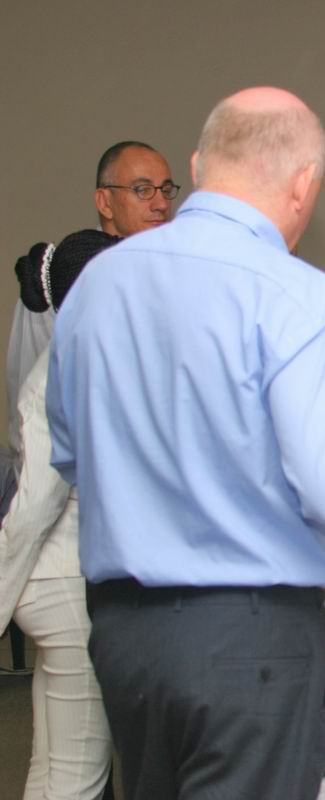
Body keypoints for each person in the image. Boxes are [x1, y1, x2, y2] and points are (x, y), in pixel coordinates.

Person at [46, 87, 325, 800]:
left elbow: (69, 451)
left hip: (124, 636)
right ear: (304, 184)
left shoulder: (96, 285)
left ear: (197, 166)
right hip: (250, 638)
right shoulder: (293, 293)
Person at [1, 230, 120, 800]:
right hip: (65, 588)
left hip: (59, 581)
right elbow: (33, 506)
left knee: (49, 767)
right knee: (79, 775)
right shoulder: (68, 368)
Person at [6, 141, 177, 450]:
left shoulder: (175, 271)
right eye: (142, 190)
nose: (161, 203)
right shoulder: (59, 274)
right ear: (104, 202)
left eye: (166, 189)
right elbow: (28, 385)